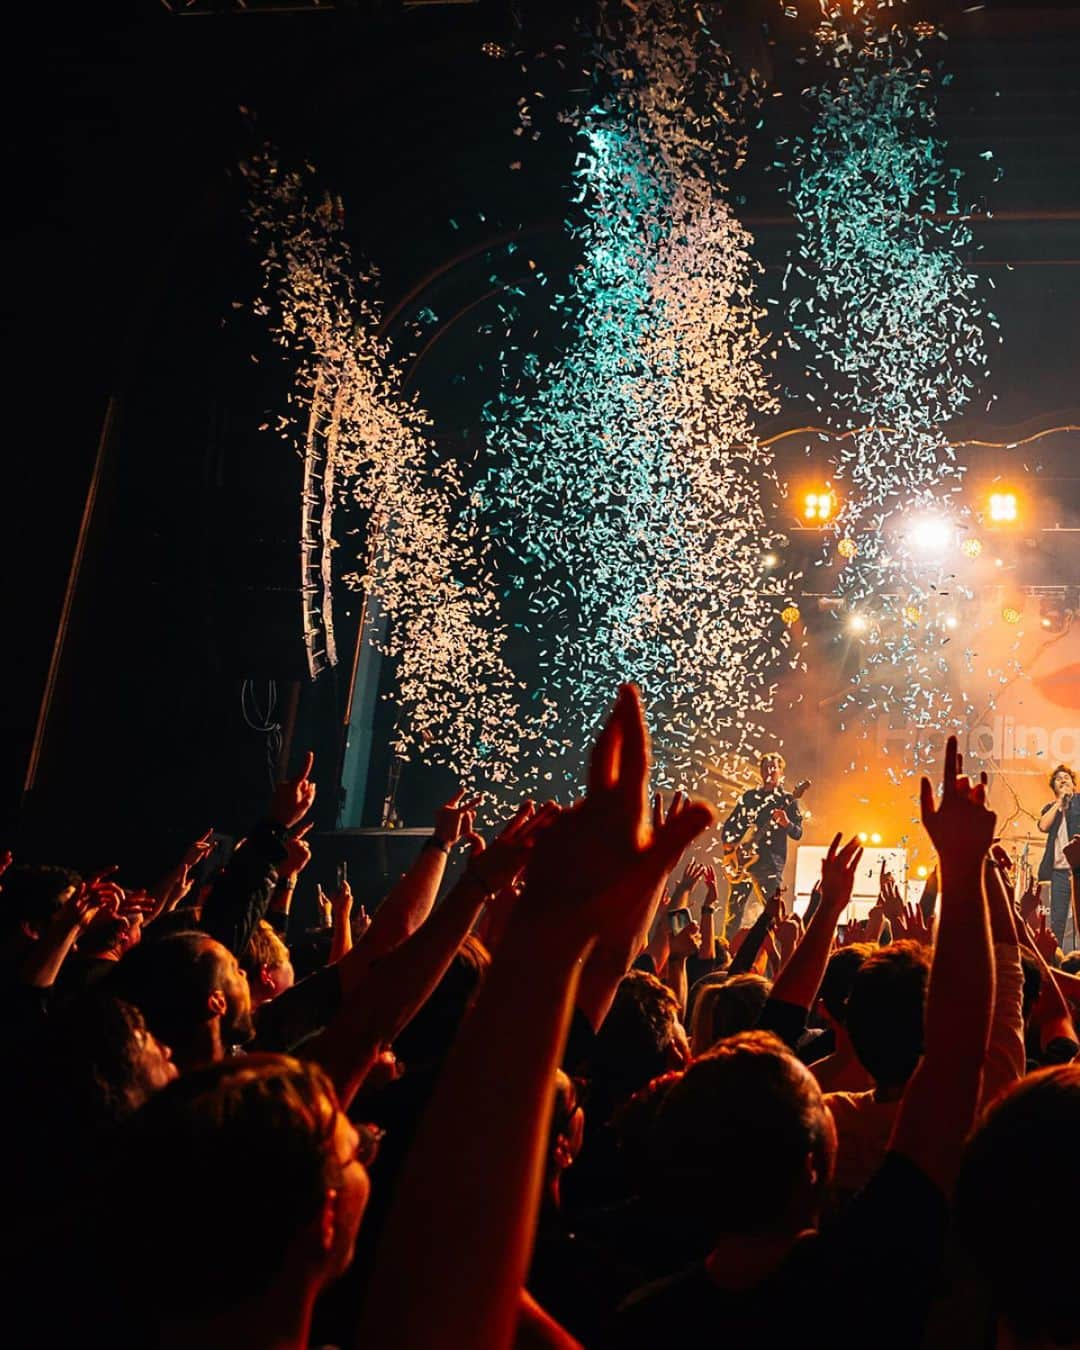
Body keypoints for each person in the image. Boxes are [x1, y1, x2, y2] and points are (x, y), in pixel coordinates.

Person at [721, 753, 804, 937]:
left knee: (774, 913)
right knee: (733, 913)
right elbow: (730, 826)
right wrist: (730, 851)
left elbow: (798, 833)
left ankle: (780, 955)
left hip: (770, 865)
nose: (770, 771)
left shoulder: (788, 800)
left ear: (781, 771)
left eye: (774, 767)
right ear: (760, 770)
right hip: (742, 863)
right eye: (766, 767)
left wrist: (786, 823)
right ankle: (725, 954)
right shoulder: (749, 797)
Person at [1036, 763, 1080, 949]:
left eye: (1066, 778)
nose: (1063, 780)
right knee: (1058, 922)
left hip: (1078, 869)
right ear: (1054, 787)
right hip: (1059, 872)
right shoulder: (1050, 808)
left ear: (1073, 783)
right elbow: (1043, 826)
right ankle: (1058, 961)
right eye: (1058, 779)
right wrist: (1059, 803)